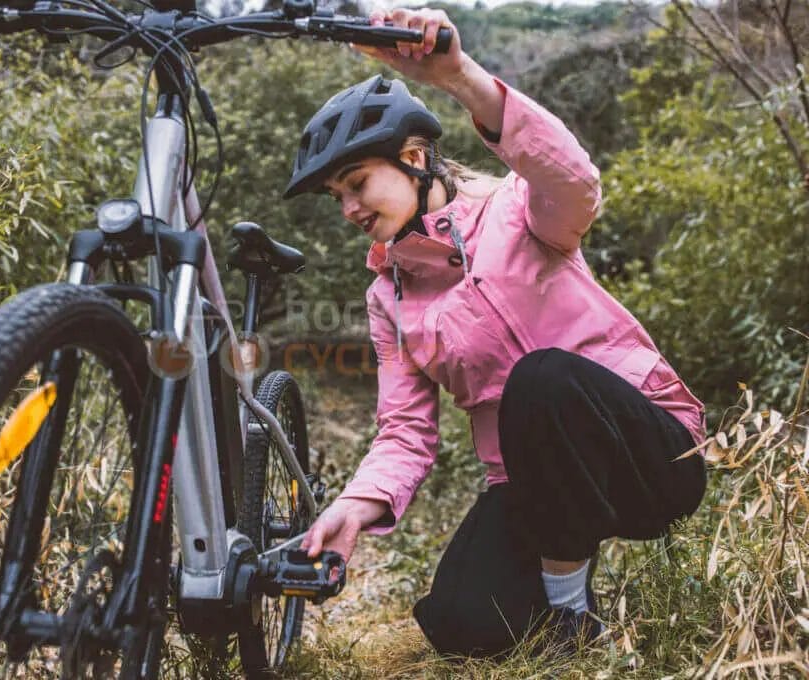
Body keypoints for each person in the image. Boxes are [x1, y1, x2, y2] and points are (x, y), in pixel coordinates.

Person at [286, 6, 708, 658]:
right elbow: (406, 432)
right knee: (460, 624)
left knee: (539, 378)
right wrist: (356, 504)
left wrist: (460, 77)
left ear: (415, 156)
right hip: (534, 487)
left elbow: (575, 181)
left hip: (648, 456)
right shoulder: (388, 297)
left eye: (357, 182)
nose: (347, 208)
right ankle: (563, 568)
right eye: (336, 195)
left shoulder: (517, 208)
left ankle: (571, 610)